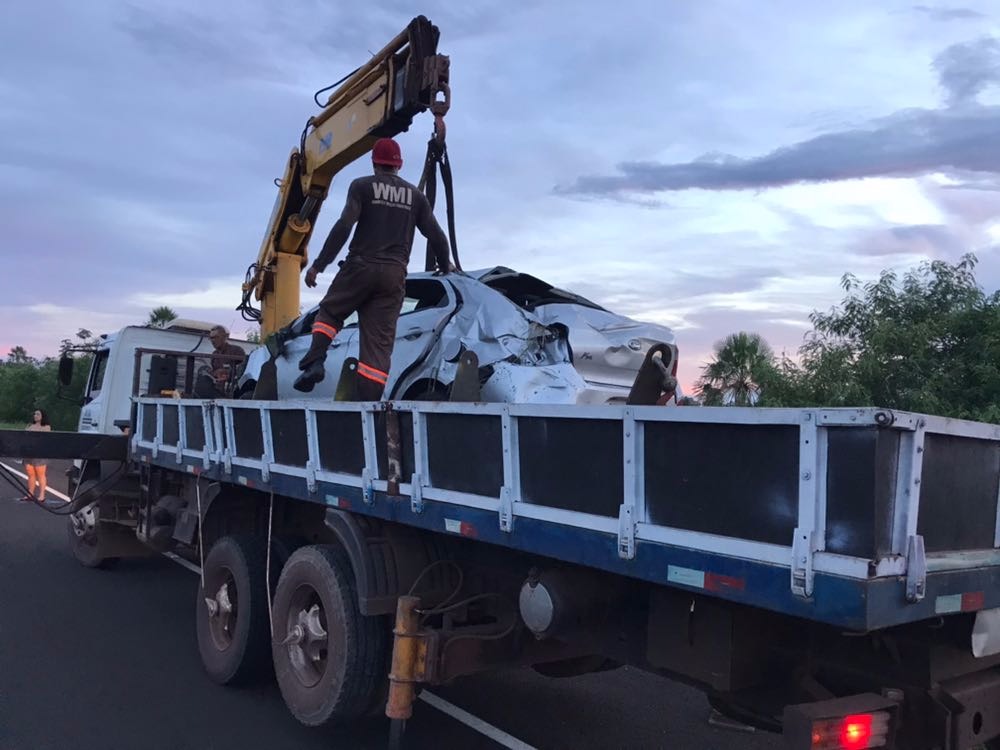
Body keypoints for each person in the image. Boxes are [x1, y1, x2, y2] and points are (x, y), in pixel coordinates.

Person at [294, 137, 451, 399]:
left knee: (331, 312)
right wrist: (445, 265)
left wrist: (319, 265)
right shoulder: (416, 196)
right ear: (398, 164)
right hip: (393, 276)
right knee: (377, 346)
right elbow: (436, 235)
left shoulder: (362, 187)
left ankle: (314, 363)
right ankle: (370, 405)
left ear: (374, 162)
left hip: (360, 266)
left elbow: (344, 226)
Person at [194, 326, 246, 398]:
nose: (213, 341)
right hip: (217, 390)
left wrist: (228, 373)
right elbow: (213, 373)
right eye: (211, 338)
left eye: (216, 337)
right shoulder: (214, 354)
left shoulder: (236, 350)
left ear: (224, 337)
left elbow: (243, 370)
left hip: (232, 391)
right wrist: (214, 373)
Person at [23, 409, 51, 502]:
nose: (35, 415)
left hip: (39, 454)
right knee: (30, 474)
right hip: (29, 453)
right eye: (35, 414)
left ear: (43, 416)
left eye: (38, 414)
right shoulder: (30, 426)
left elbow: (43, 439)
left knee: (40, 474)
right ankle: (30, 493)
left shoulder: (46, 427)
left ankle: (42, 495)